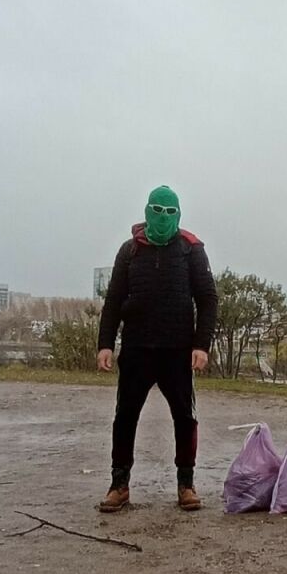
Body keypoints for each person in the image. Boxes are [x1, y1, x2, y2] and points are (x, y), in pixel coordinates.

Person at [96, 185, 218, 512]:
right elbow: (113, 301)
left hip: (177, 351)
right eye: (158, 211)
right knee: (125, 417)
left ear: (178, 215)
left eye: (170, 212)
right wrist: (105, 344)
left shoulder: (191, 251)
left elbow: (208, 300)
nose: (164, 218)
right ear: (147, 211)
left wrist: (201, 345)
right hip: (136, 348)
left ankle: (186, 484)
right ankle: (119, 485)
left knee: (184, 417)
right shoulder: (129, 251)